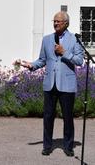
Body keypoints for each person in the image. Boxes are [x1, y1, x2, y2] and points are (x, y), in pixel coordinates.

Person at [14, 11, 84, 156]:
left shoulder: (74, 39)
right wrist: (31, 65)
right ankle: (47, 145)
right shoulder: (47, 40)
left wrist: (64, 52)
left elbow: (79, 60)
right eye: (54, 21)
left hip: (67, 85)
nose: (55, 23)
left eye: (58, 21)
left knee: (68, 118)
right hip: (50, 84)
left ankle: (68, 146)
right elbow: (42, 60)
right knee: (48, 117)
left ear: (66, 23)